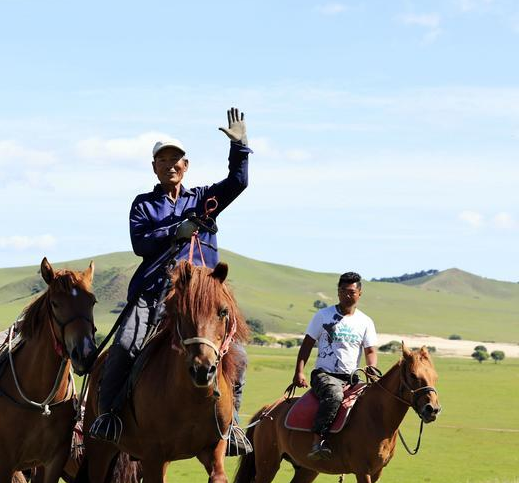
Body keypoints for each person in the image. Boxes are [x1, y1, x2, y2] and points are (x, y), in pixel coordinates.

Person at [88, 107, 253, 455]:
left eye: (175, 159)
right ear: (154, 167)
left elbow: (238, 182)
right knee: (125, 346)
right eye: (163, 160)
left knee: (237, 354)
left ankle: (232, 424)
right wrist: (176, 231)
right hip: (154, 293)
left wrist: (239, 147)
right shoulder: (143, 205)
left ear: (186, 165)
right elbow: (140, 244)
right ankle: (109, 416)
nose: (170, 165)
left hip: (202, 298)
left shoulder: (204, 200)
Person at [291, 272, 379, 459]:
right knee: (334, 395)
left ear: (360, 294)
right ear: (338, 292)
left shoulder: (365, 322)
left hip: (352, 377)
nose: (347, 295)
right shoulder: (323, 316)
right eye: (343, 291)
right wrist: (299, 372)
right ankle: (318, 441)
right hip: (325, 375)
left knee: (373, 401)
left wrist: (371, 367)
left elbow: (370, 351)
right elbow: (307, 345)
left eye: (352, 292)